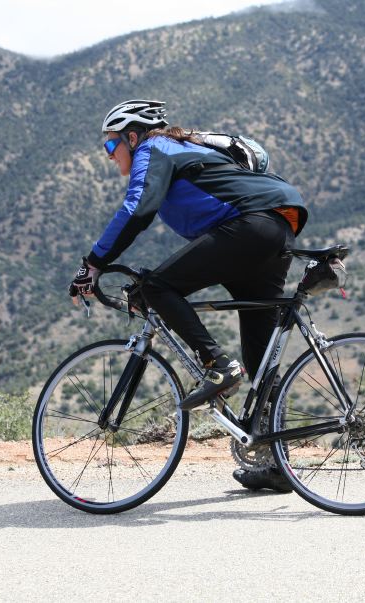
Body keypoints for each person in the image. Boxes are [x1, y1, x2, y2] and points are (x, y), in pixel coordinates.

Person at [69, 99, 308, 492]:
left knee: (157, 287)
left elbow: (136, 210)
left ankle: (217, 362)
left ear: (133, 137)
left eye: (112, 146)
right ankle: (277, 461)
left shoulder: (155, 148)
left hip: (253, 225)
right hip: (277, 226)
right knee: (260, 355)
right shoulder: (182, 152)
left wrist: (92, 263)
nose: (110, 156)